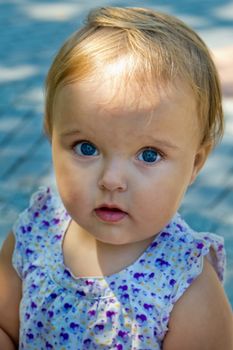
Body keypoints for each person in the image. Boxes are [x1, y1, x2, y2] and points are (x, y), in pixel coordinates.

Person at [0, 6, 232, 350]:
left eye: (149, 155)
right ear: (51, 135)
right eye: (86, 147)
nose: (111, 180)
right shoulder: (37, 231)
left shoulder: (188, 287)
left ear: (195, 163)